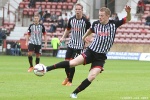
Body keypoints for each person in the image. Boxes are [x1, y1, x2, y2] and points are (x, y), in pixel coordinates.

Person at [40, 5, 131, 98]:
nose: (100, 17)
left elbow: (128, 19)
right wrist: (84, 37)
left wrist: (128, 12)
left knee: (92, 76)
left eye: (102, 15)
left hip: (101, 57)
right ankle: (47, 68)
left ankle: (74, 93)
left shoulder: (114, 24)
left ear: (108, 16)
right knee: (72, 63)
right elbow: (90, 30)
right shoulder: (96, 24)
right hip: (91, 51)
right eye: (99, 15)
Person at [59, 3, 91, 86]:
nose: (77, 11)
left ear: (82, 10)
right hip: (70, 44)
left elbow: (91, 31)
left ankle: (70, 81)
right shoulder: (71, 20)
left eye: (79, 9)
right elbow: (68, 29)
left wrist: (88, 39)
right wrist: (63, 37)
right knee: (66, 62)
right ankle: (67, 77)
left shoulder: (86, 21)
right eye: (76, 9)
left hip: (79, 46)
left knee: (72, 63)